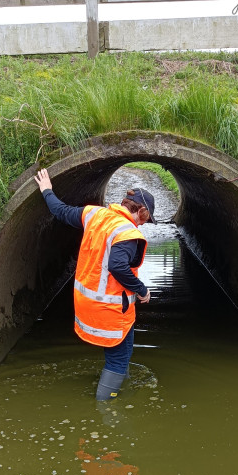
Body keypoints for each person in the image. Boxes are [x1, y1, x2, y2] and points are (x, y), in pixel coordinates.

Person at [34, 168, 155, 400]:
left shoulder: (95, 215)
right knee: (117, 359)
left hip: (89, 303)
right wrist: (142, 290)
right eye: (146, 217)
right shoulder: (127, 232)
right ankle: (105, 411)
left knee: (124, 351)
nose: (145, 223)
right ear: (140, 210)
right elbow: (118, 267)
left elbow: (61, 211)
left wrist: (47, 190)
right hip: (110, 309)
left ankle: (122, 389)